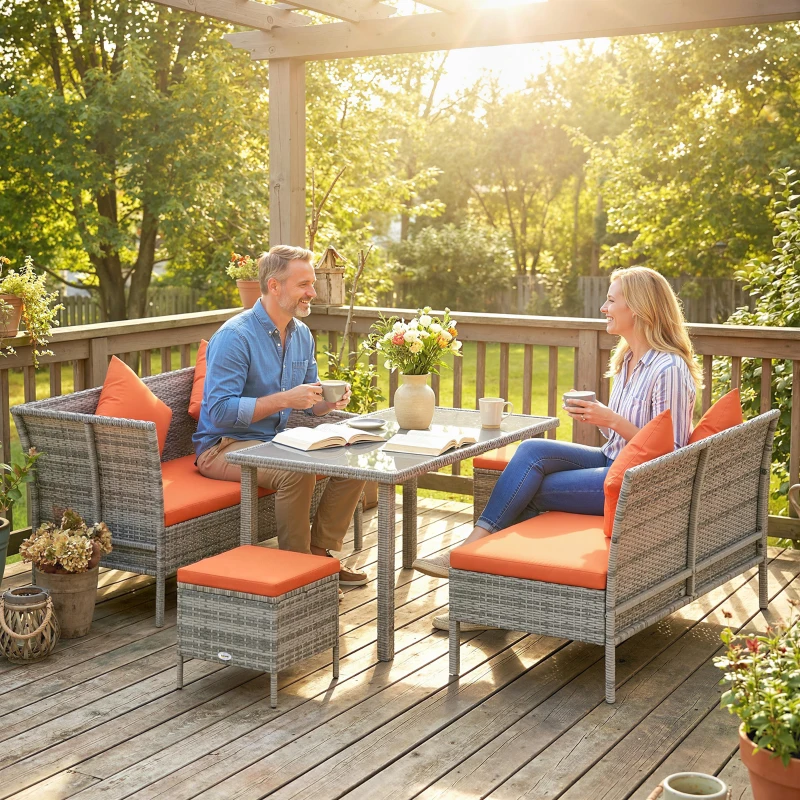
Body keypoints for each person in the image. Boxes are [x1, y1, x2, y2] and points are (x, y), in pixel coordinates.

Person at [413, 266, 701, 606]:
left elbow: (673, 454)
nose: (603, 309)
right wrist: (597, 416)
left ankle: (483, 594)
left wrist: (612, 419)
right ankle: (478, 562)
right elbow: (630, 433)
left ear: (637, 309)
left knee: (525, 493)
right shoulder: (628, 358)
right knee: (533, 449)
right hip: (614, 458)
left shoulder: (668, 369)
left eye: (610, 301)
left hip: (636, 481)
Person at [194, 244, 368, 586]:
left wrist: (326, 403)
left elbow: (308, 401)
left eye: (312, 283)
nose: (313, 293)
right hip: (222, 447)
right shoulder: (235, 337)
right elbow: (217, 410)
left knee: (356, 458)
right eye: (304, 284)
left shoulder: (301, 334)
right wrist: (283, 399)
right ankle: (298, 571)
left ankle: (319, 555)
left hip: (273, 442)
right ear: (274, 286)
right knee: (296, 474)